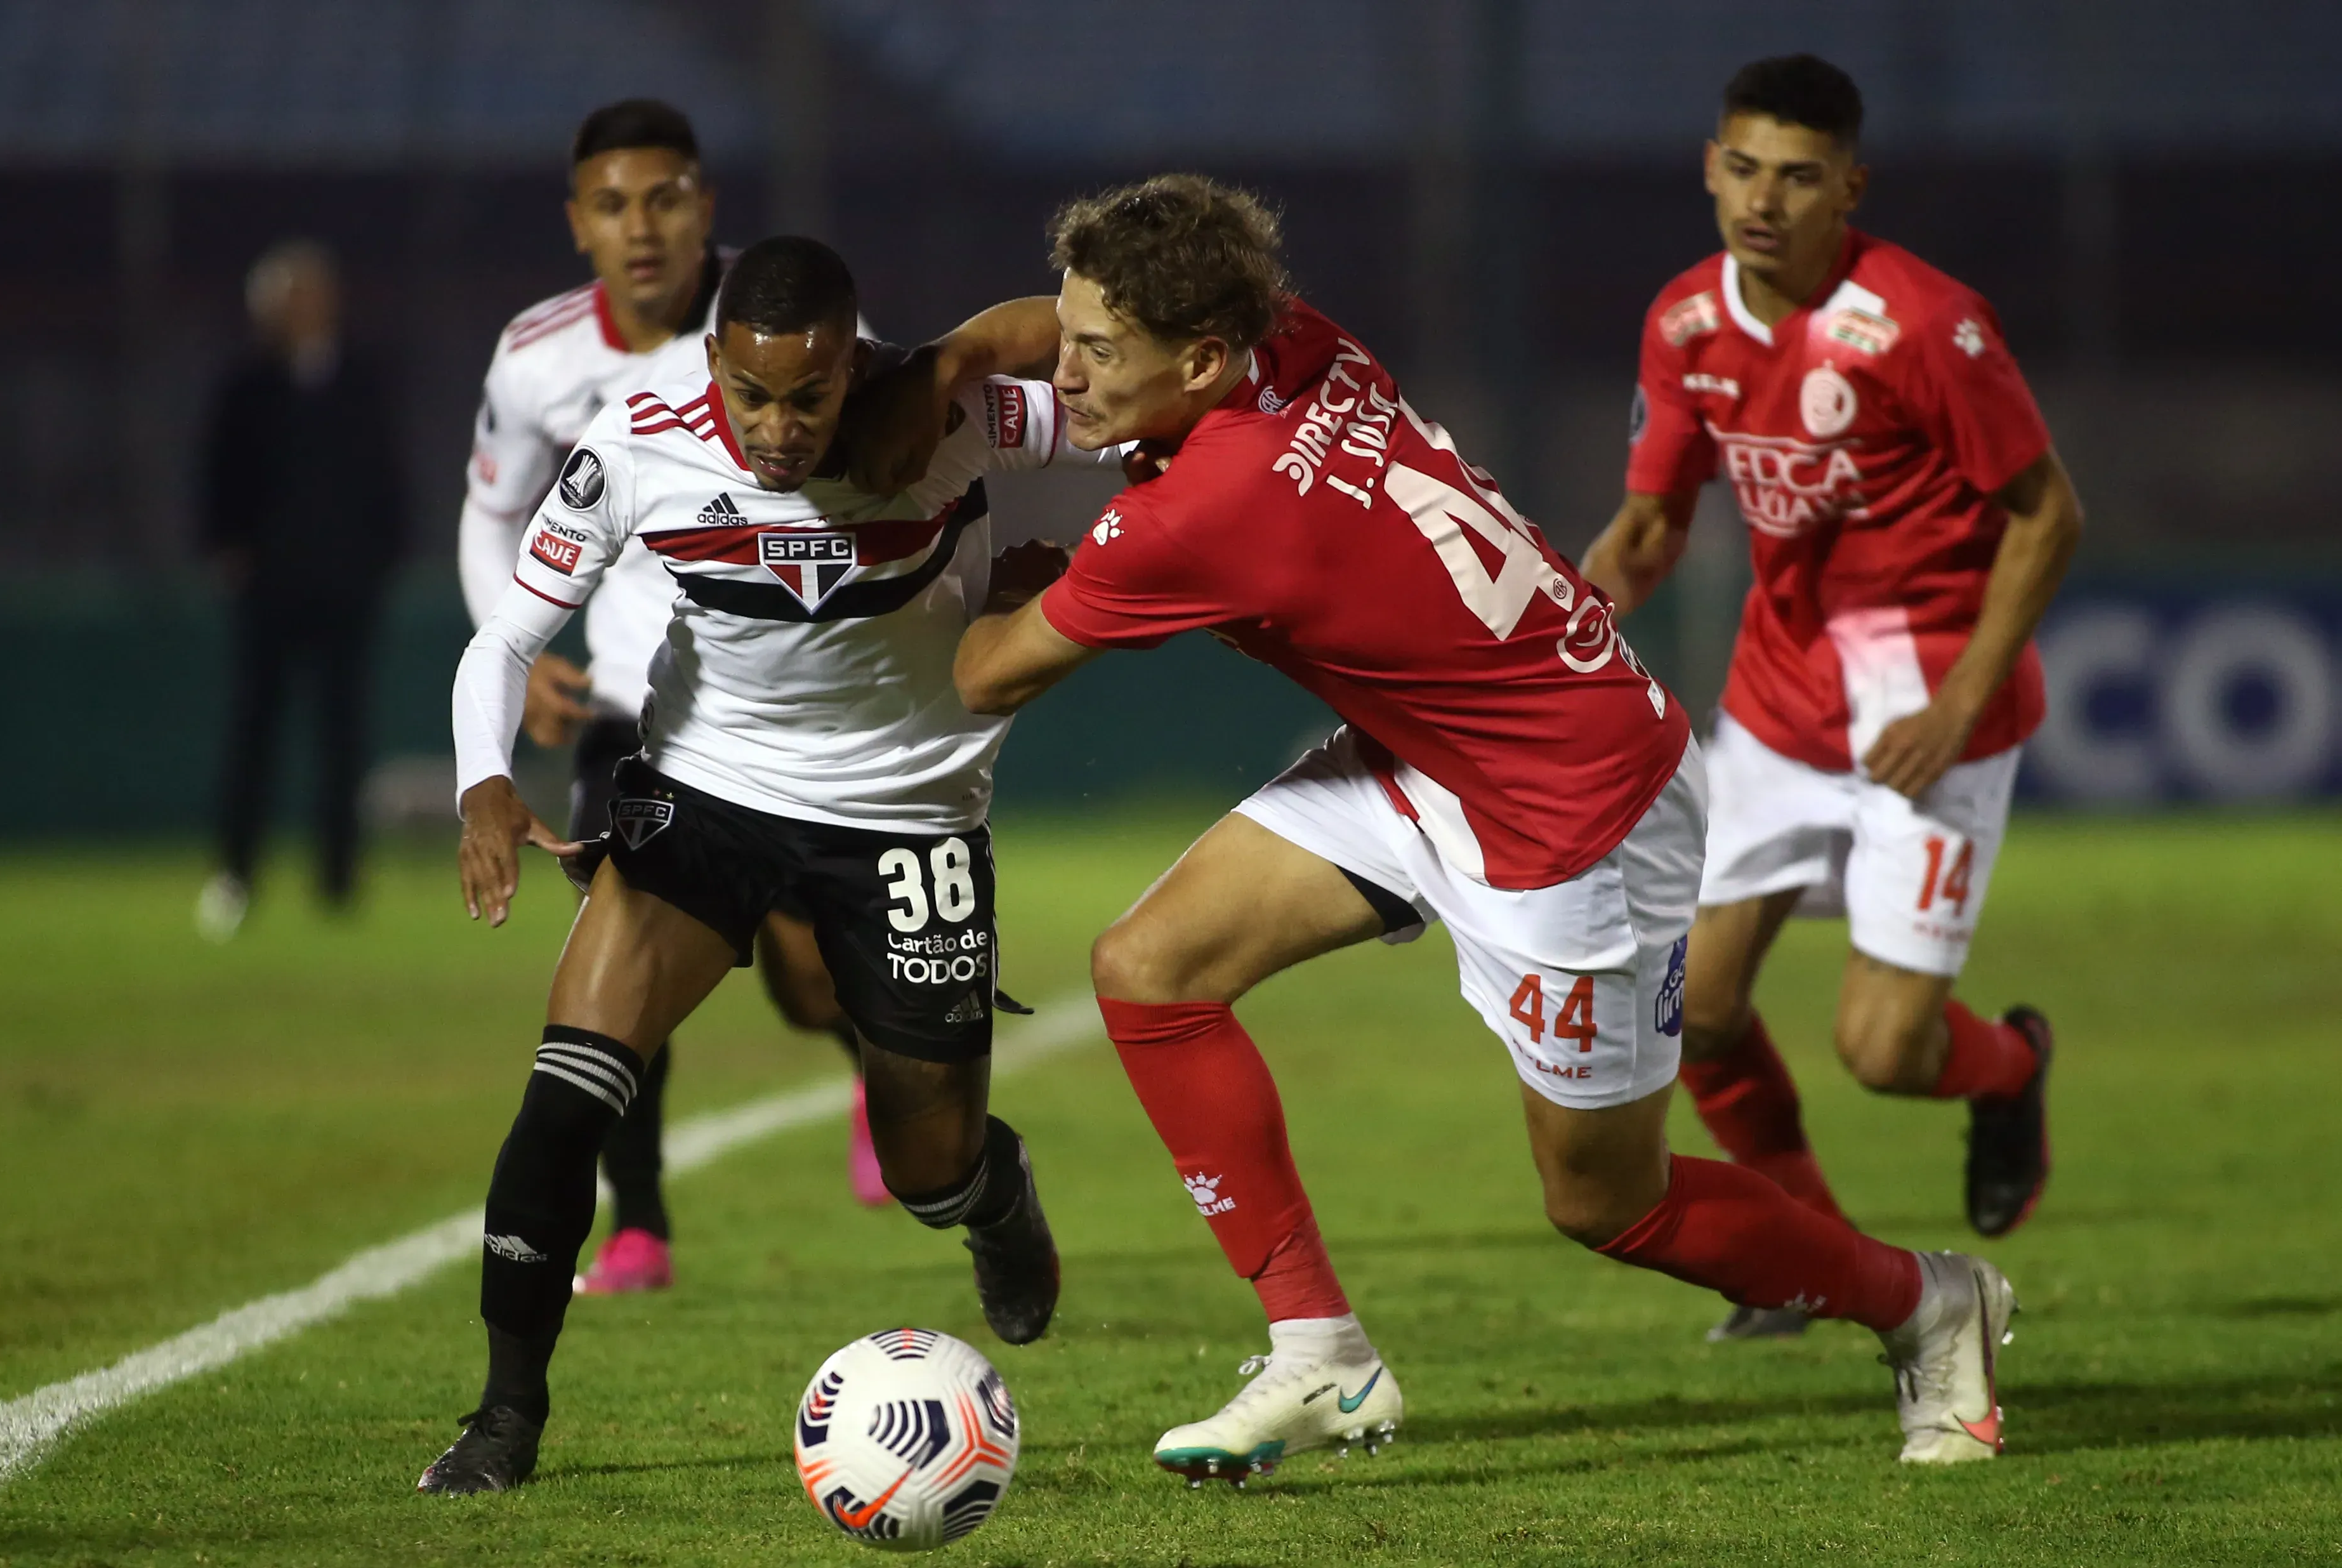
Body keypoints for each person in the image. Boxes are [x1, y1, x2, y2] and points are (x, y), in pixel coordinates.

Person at [943, 174, 2018, 1479]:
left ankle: (1928, 1301)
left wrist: (945, 571)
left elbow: (985, 674)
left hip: (1578, 818)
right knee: (1149, 969)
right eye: (1066, 333)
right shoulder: (1296, 343)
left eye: (1097, 351)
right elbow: (1048, 364)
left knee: (1607, 1203)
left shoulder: (1205, 512)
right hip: (1439, 753)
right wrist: (943, 367)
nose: (1066, 369)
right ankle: (1319, 1353)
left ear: (1206, 357)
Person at [418, 235, 1093, 1495]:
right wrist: (483, 780)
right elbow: (506, 636)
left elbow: (1130, 392)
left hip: (908, 815)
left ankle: (992, 1199)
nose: (777, 429)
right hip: (705, 795)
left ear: (858, 364)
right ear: (714, 361)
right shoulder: (637, 439)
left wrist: (1081, 552)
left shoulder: (946, 416)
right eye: (751, 392)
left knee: (924, 1169)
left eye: (810, 394)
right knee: (565, 1097)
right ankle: (504, 1418)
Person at [1577, 56, 2082, 1340]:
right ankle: (1808, 1257)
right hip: (1776, 711)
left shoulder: (1923, 322)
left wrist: (1959, 698)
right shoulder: (1685, 322)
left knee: (1883, 1051)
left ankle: (2011, 1064)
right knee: (1689, 1006)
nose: (1763, 199)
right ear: (1708, 168)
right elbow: (1649, 525)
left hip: (1933, 719)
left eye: (1798, 178)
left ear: (1847, 188)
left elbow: (2046, 516)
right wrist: (1567, 620)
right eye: (1741, 168)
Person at [458, 101, 887, 1300]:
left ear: (706, 205)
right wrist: (519, 637)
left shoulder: (784, 321)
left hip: (779, 708)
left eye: (664, 198)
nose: (639, 227)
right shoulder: (536, 355)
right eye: (611, 203)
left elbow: (897, 430)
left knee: (808, 969)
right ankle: (637, 1222)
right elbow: (493, 514)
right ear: (577, 222)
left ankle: (866, 1056)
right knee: (620, 959)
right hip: (627, 712)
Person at [195, 241, 405, 939]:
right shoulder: (243, 385)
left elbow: (387, 478)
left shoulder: (364, 381)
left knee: (342, 737)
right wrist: (229, 555)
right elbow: (216, 483)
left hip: (347, 589)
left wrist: (382, 559)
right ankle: (236, 873)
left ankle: (339, 879)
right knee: (254, 734)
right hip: (268, 593)